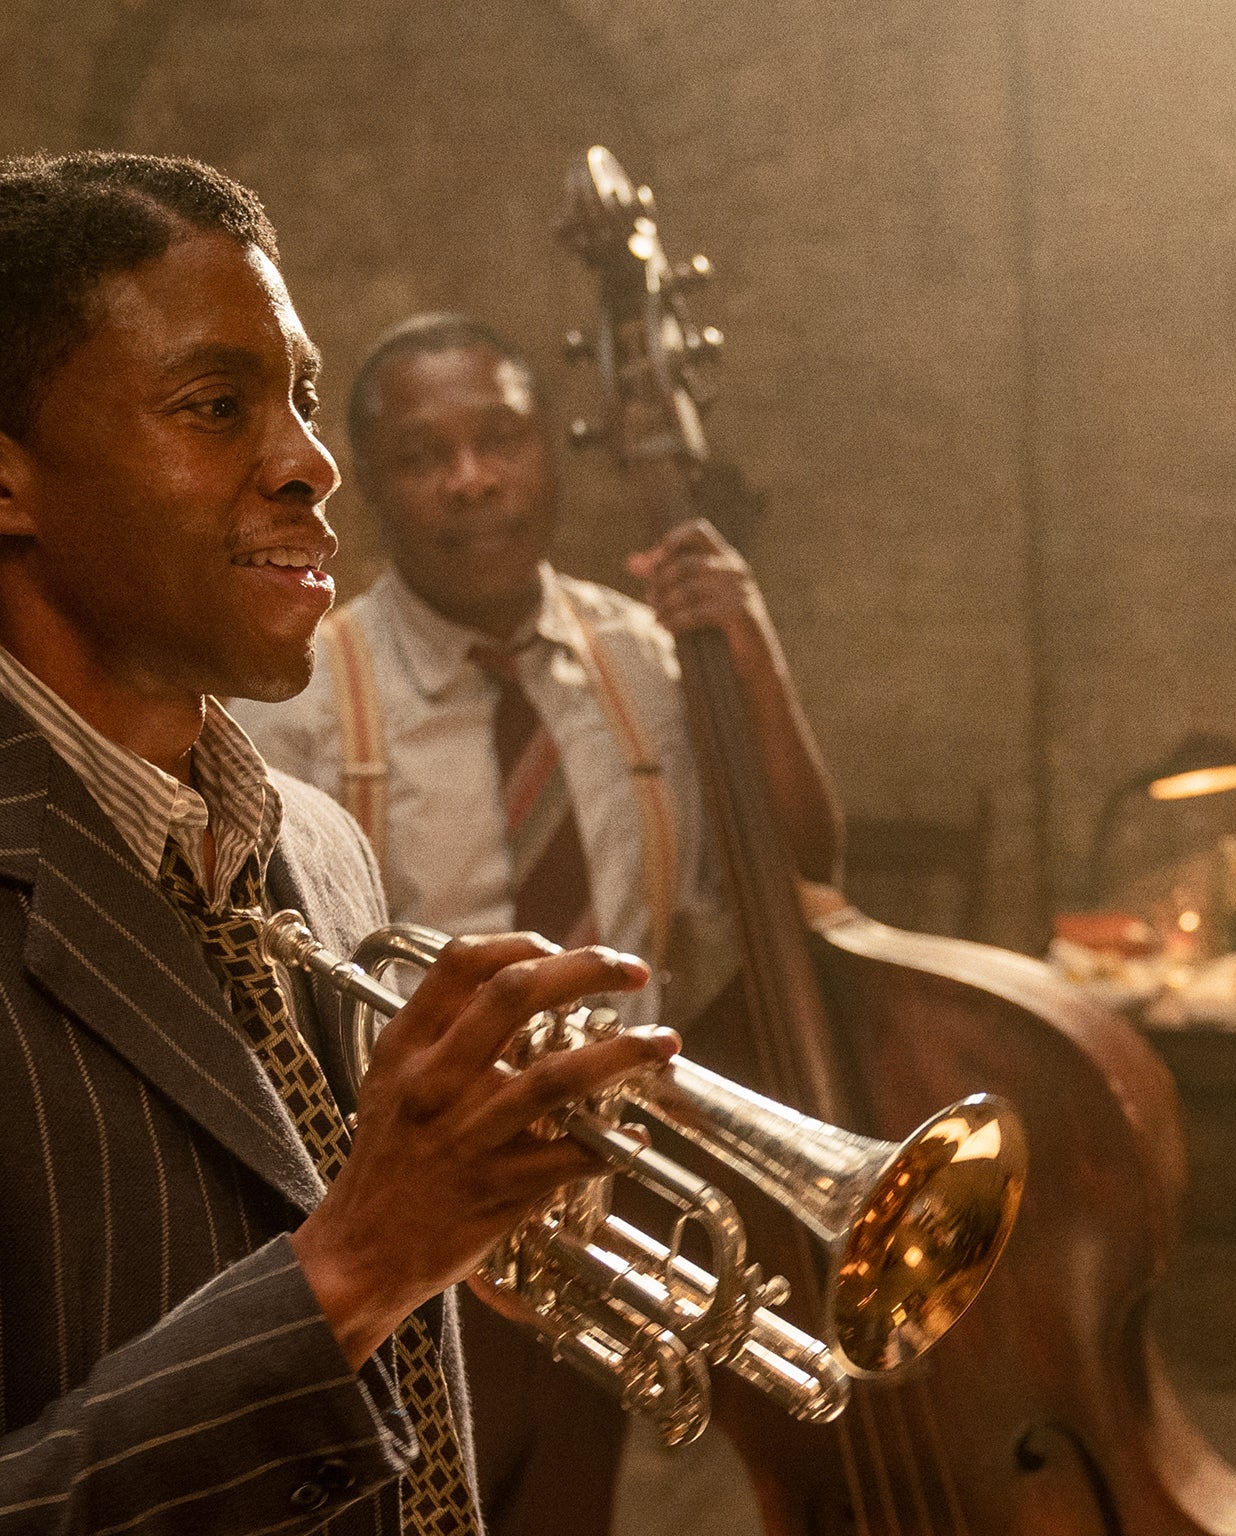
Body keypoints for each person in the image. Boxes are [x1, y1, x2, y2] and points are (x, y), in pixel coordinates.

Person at [0, 153, 679, 1536]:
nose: (312, 463)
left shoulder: (319, 845)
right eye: (219, 407)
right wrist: (355, 1267)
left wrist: (458, 1238)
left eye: (303, 400)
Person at [230, 313, 844, 1536]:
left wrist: (750, 654)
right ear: (373, 487)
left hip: (610, 1202)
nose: (470, 479)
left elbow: (798, 877)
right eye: (422, 454)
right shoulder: (303, 692)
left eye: (498, 438)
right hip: (411, 1212)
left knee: (576, 1508)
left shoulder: (640, 660)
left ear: (548, 456)